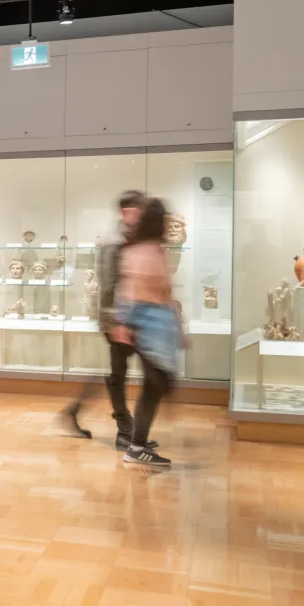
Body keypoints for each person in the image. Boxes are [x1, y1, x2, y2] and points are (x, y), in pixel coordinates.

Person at [59, 190, 149, 446]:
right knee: (118, 374)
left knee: (118, 373)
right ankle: (124, 430)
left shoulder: (130, 239)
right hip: (118, 320)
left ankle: (78, 413)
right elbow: (108, 285)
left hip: (131, 317)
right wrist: (115, 323)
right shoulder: (114, 242)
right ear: (127, 212)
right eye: (139, 210)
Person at [116, 197, 182, 468]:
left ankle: (137, 444)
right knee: (155, 385)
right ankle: (136, 446)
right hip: (149, 325)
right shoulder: (142, 251)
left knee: (156, 385)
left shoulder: (153, 249)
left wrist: (176, 323)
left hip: (159, 324)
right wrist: (123, 323)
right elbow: (130, 289)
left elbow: (164, 291)